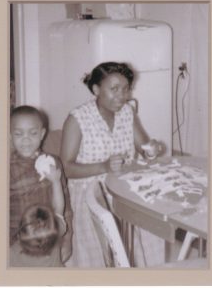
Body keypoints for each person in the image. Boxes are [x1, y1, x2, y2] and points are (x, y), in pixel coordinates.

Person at [60, 61, 164, 267]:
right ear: (96, 89)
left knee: (151, 226)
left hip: (123, 187)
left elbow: (145, 148)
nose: (122, 95)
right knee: (104, 256)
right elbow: (66, 168)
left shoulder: (127, 113)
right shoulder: (78, 119)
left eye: (126, 89)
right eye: (114, 89)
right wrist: (103, 167)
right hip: (90, 194)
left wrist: (152, 149)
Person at [10, 105, 73, 267]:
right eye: (18, 134)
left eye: (33, 133)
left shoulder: (54, 163)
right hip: (18, 247)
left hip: (52, 243)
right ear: (10, 135)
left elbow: (64, 207)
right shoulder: (5, 168)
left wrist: (67, 239)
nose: (26, 139)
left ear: (42, 134)